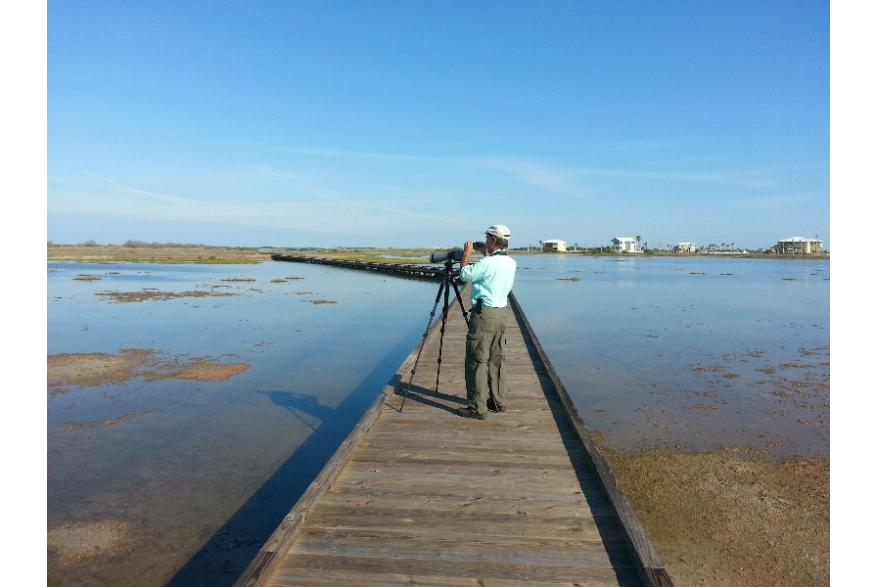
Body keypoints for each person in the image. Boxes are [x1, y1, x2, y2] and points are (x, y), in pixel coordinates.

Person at [456, 224, 516, 420]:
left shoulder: (486, 264)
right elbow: (491, 269)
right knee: (497, 359)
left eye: (488, 238)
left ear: (494, 240)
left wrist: (466, 255)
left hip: (484, 315)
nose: (487, 241)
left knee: (477, 360)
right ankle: (498, 401)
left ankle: (477, 408)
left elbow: (464, 275)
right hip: (501, 314)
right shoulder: (510, 263)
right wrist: (486, 253)